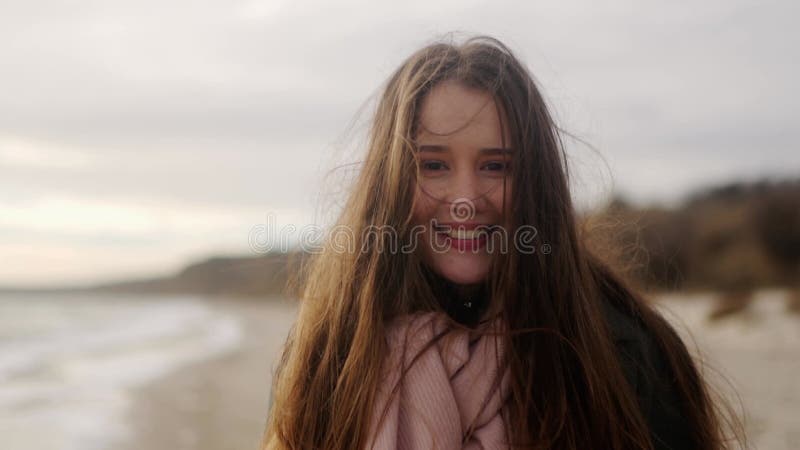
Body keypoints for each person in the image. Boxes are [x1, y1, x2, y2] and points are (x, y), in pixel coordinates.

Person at [261, 34, 745, 450]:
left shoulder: (614, 349)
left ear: (535, 182)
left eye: (496, 166)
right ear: (388, 184)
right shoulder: (337, 353)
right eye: (433, 165)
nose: (467, 199)